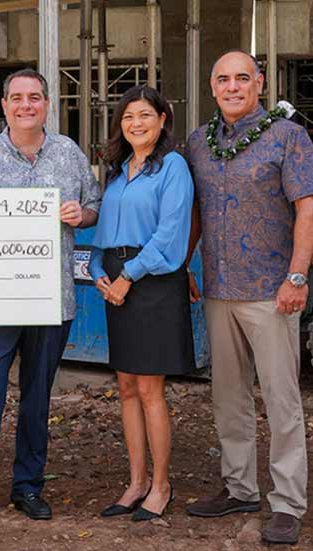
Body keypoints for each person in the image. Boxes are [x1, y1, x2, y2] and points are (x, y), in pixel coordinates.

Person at [0, 68, 101, 536]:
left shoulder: (69, 154)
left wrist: (81, 214)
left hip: (52, 301)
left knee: (37, 396)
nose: (26, 105)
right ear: (4, 105)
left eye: (35, 97)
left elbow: (93, 204)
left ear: (47, 104)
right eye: (17, 98)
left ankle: (28, 486)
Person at [184, 50, 313, 545]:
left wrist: (297, 277)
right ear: (212, 87)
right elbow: (195, 211)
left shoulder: (289, 137)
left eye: (242, 78)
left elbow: (307, 209)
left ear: (259, 83)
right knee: (228, 397)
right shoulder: (200, 141)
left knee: (282, 401)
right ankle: (239, 487)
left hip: (272, 291)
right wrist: (183, 265)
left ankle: (287, 503)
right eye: (223, 79)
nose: (233, 86)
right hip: (218, 288)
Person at [88, 85, 194, 522]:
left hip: (151, 283)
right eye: (128, 116)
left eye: (145, 115)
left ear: (163, 119)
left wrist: (128, 278)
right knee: (126, 387)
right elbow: (104, 234)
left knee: (150, 389)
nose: (136, 123)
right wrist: (98, 271)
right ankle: (135, 482)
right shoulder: (117, 172)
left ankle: (162, 485)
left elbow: (169, 233)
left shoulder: (172, 168)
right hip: (115, 281)